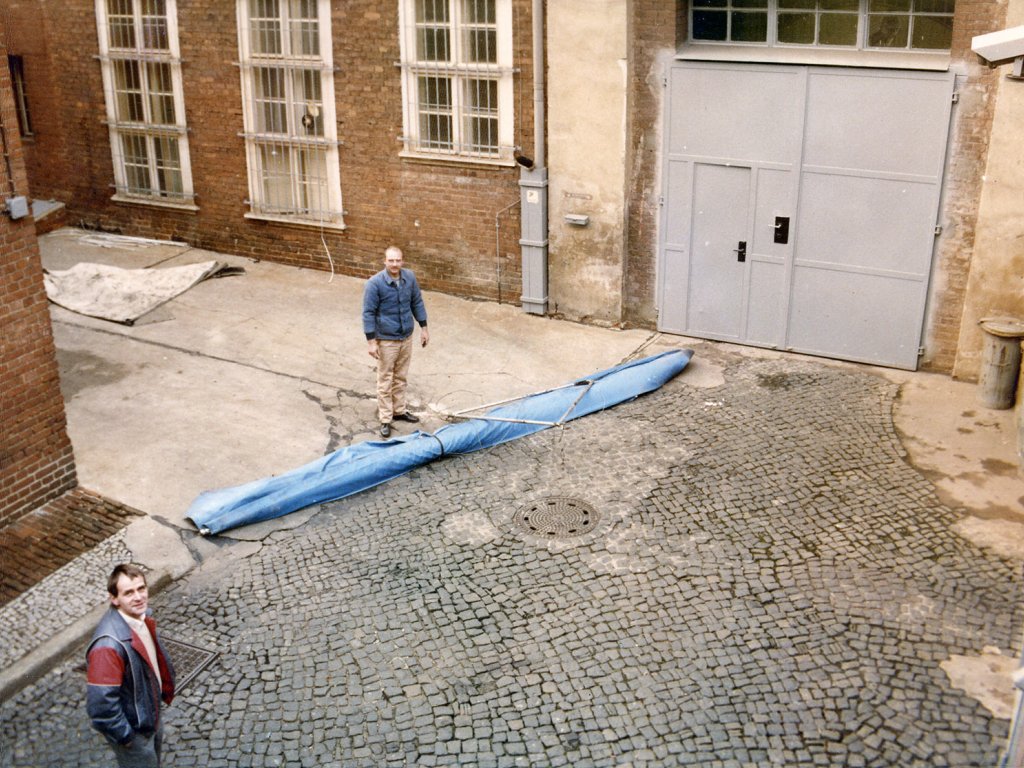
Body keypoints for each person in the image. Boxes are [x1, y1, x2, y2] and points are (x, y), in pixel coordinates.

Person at [86, 564, 175, 768]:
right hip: (135, 732)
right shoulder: (107, 647)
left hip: (149, 717)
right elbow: (101, 708)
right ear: (114, 599)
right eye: (129, 593)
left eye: (141, 588)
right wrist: (127, 738)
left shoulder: (140, 618)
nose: (138, 597)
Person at [362, 245, 429, 437]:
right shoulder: (374, 284)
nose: (394, 264)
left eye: (398, 260)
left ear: (403, 261)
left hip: (405, 336)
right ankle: (385, 418)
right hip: (386, 340)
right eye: (391, 260)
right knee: (385, 379)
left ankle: (399, 410)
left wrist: (424, 328)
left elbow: (417, 302)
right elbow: (368, 313)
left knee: (401, 376)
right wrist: (371, 342)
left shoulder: (409, 278)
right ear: (384, 261)